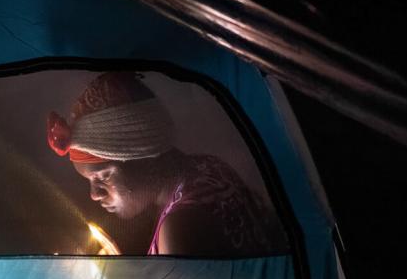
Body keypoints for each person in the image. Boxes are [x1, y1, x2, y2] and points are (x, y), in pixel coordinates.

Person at [46, 72, 288, 256]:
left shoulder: (179, 227)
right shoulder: (207, 167)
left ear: (143, 156)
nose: (94, 195)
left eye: (102, 176)